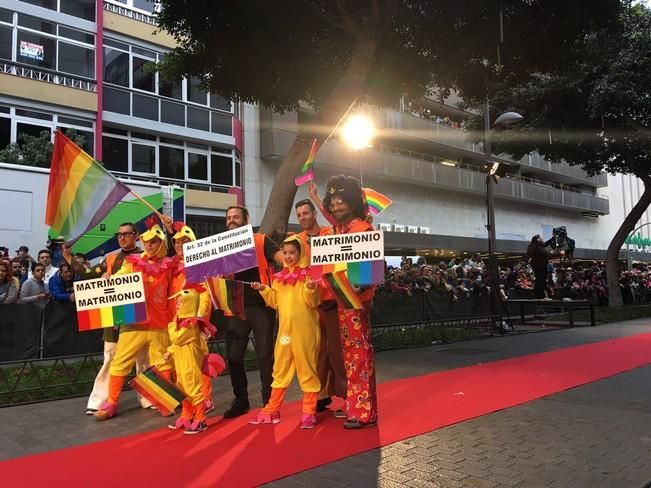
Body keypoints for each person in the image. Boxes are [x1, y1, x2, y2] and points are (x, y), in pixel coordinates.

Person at [94, 218, 175, 421]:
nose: (149, 245)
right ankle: (111, 403)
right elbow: (117, 281)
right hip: (133, 324)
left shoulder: (169, 266)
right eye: (146, 241)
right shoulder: (132, 263)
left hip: (159, 325)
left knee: (162, 363)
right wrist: (107, 280)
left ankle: (164, 400)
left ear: (161, 243)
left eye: (154, 241)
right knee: (120, 363)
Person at [321, 174, 378, 429]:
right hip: (341, 300)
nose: (336, 206)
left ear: (353, 203)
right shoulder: (338, 231)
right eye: (333, 202)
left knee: (359, 353)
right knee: (351, 355)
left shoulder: (363, 229)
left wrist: (361, 282)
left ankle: (364, 411)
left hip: (356, 301)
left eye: (341, 201)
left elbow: (370, 272)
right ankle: (357, 405)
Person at [249, 235, 321, 429]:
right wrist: (264, 289)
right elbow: (274, 302)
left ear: (300, 253)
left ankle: (309, 411)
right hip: (285, 333)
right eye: (285, 253)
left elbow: (313, 303)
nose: (288, 257)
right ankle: (272, 408)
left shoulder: (310, 275)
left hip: (305, 331)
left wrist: (311, 289)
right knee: (279, 368)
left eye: (292, 252)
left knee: (307, 369)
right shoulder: (278, 279)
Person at [86, 222, 153, 415]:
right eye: (119, 234)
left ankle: (149, 398)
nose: (123, 238)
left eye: (127, 234)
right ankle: (99, 401)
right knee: (110, 357)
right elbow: (89, 275)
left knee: (144, 359)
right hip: (114, 315)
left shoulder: (146, 256)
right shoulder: (110, 258)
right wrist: (102, 278)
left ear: (136, 235)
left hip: (141, 316)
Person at [222, 205, 283, 419]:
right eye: (228, 218)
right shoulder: (221, 246)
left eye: (236, 217)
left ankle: (269, 402)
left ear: (246, 220)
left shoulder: (261, 240)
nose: (231, 220)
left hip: (261, 305)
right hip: (235, 306)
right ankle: (241, 400)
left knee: (265, 355)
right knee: (233, 356)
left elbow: (284, 258)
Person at [297, 191, 347, 416]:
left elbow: (338, 222)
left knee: (338, 353)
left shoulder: (330, 233)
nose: (303, 217)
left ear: (315, 214)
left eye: (306, 213)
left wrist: (317, 197)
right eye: (299, 215)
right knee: (317, 353)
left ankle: (348, 397)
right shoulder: (297, 240)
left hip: (333, 300)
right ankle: (321, 396)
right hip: (311, 305)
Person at [169, 222, 215, 414]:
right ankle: (189, 407)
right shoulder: (172, 266)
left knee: (199, 363)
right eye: (177, 243)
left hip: (194, 325)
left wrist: (199, 320)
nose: (180, 246)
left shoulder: (200, 267)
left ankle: (206, 400)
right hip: (176, 323)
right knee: (182, 367)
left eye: (184, 242)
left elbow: (205, 295)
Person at [165, 287, 213, 434]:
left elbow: (177, 338)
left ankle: (200, 419)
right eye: (177, 302)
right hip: (180, 362)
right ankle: (187, 416)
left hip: (189, 363)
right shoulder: (182, 320)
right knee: (182, 389)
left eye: (180, 302)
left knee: (193, 390)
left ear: (188, 303)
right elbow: (177, 343)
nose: (177, 305)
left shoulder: (191, 323)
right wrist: (170, 351)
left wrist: (171, 325)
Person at [527, 235, 550, 299]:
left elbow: (545, 244)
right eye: (541, 238)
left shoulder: (533, 247)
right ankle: (541, 296)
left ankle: (538, 295)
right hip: (541, 266)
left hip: (537, 266)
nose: (543, 239)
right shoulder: (538, 247)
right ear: (538, 240)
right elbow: (547, 254)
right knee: (541, 281)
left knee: (539, 280)